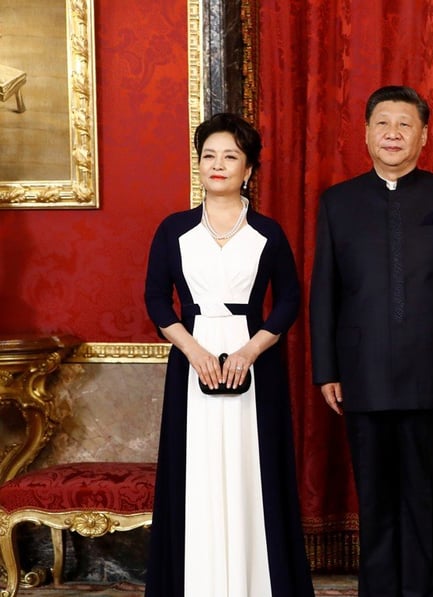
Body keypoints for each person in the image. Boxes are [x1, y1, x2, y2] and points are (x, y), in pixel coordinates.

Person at [309, 85, 433, 597]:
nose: (393, 133)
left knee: (429, 501)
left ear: (424, 135)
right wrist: (326, 369)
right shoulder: (338, 203)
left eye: (405, 124)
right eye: (383, 123)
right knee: (375, 500)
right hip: (362, 377)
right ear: (366, 133)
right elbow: (324, 292)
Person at [143, 113, 314, 596]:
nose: (217, 165)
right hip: (190, 361)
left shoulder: (268, 232)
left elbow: (288, 299)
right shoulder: (173, 230)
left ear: (249, 170)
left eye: (230, 157)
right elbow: (156, 298)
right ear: (198, 165)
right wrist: (192, 349)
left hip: (255, 365)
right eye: (208, 156)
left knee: (253, 472)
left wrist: (251, 350)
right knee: (193, 471)